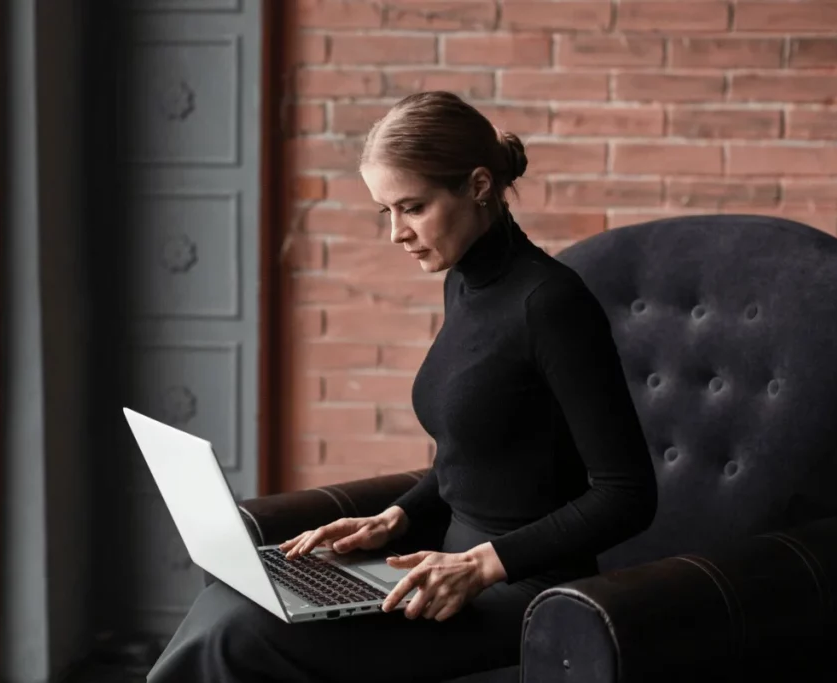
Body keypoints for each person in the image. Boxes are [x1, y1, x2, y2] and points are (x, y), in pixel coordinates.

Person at [146, 91, 658, 683]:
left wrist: (481, 565)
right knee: (229, 603)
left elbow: (627, 494)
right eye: (385, 210)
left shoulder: (552, 304)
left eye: (412, 207)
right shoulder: (463, 284)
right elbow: (483, 453)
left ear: (479, 185)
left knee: (241, 634)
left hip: (521, 595)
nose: (396, 233)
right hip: (433, 569)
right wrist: (395, 516)